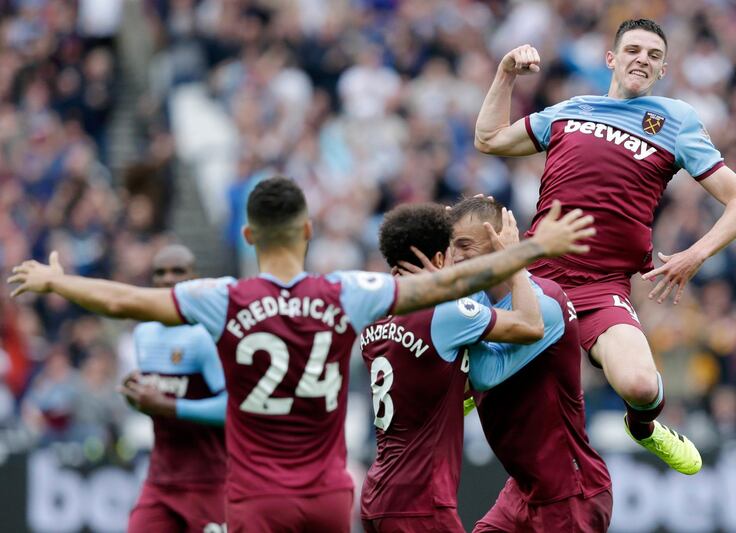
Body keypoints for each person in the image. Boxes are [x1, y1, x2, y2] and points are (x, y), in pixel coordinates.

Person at [8, 175, 594, 533]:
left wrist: (61, 284)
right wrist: (532, 248)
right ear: (309, 231)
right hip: (328, 496)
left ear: (247, 237)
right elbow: (444, 291)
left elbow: (129, 301)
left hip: (259, 496)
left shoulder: (224, 298)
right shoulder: (347, 294)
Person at [473, 18, 736, 474]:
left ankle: (643, 428)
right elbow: (488, 139)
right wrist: (506, 73)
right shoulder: (569, 110)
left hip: (602, 287)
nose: (641, 60)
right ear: (612, 58)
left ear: (662, 69)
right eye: (633, 50)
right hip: (537, 278)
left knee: (642, 385)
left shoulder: (675, 119)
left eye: (653, 55)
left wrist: (695, 254)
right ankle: (470, 388)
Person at [360, 202, 553, 532]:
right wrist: (515, 260)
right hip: (422, 503)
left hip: (377, 495)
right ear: (437, 260)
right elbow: (531, 324)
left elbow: (440, 379)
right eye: (451, 253)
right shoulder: (445, 315)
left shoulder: (372, 317)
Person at [449, 196, 612, 533]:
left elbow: (481, 375)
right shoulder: (477, 298)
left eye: (464, 245)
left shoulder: (545, 307)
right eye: (451, 246)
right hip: (524, 489)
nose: (454, 257)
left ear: (498, 244)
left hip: (568, 493)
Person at [120, 244, 227, 533]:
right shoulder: (144, 334)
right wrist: (137, 398)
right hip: (160, 482)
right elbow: (158, 399)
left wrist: (168, 406)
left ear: (195, 278)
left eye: (177, 271)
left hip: (209, 483)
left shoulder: (206, 335)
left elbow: (233, 409)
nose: (168, 279)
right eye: (160, 272)